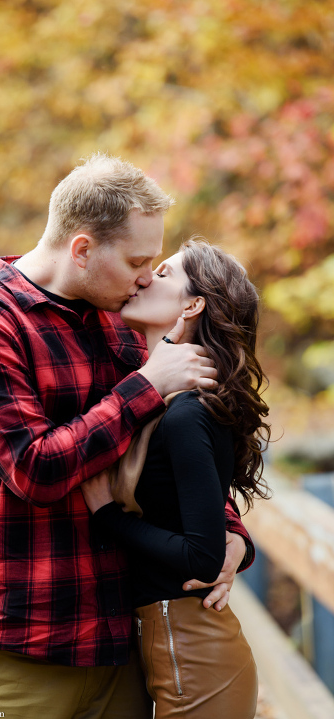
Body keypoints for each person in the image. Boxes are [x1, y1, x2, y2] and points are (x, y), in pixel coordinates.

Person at [0, 154, 254, 719]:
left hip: (120, 649)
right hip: (18, 646)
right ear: (82, 250)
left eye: (154, 263)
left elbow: (172, 460)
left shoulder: (124, 325)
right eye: (136, 260)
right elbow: (34, 470)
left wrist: (232, 537)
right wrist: (147, 386)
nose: (146, 276)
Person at [81, 239, 271, 719]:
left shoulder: (187, 414)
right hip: (169, 644)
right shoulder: (161, 402)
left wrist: (107, 516)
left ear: (193, 305)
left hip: (197, 653)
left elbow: (204, 559)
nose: (145, 278)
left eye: (162, 273)